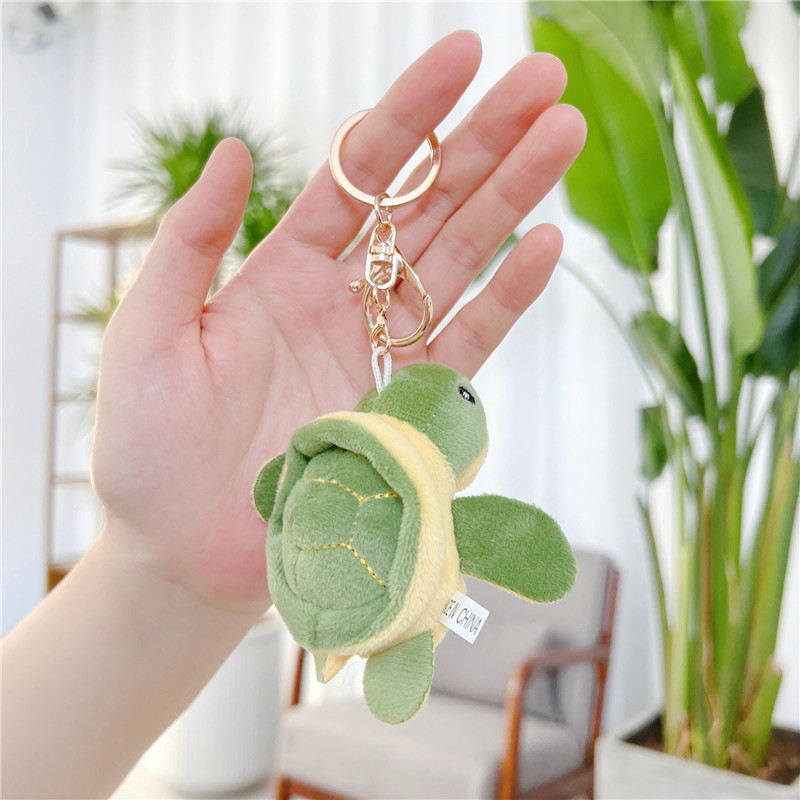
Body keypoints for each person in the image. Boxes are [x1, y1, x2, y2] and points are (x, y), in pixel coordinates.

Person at [1, 31, 585, 799]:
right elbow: (517, 546)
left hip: (336, 571)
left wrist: (159, 578)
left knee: (428, 615)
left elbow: (300, 478)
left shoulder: (339, 451)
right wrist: (160, 565)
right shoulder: (378, 460)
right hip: (370, 573)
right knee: (429, 611)